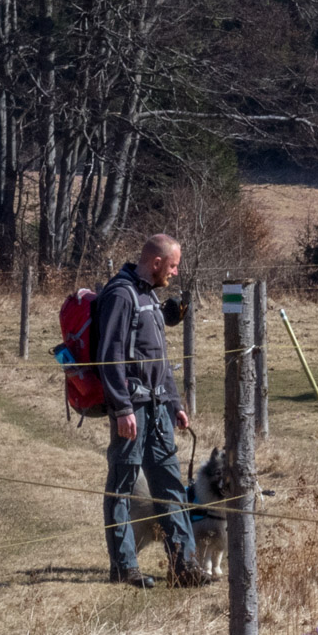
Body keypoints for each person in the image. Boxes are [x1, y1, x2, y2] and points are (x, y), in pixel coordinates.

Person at [95, 233, 204, 588]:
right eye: (172, 266)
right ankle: (124, 567)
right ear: (156, 262)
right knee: (123, 485)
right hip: (133, 409)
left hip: (158, 409)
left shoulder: (150, 297)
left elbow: (160, 360)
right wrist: (122, 407)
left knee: (170, 484)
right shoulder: (120, 294)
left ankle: (184, 565)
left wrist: (175, 404)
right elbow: (108, 357)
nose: (174, 273)